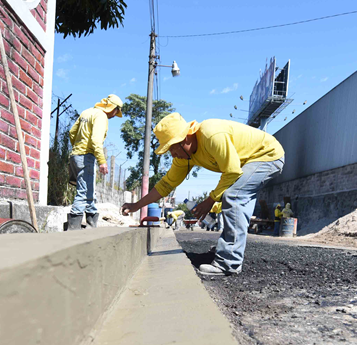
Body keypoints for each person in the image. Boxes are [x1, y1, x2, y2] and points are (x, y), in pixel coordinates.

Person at [121, 113, 284, 275]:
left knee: (234, 196)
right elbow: (165, 185)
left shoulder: (211, 135)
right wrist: (136, 205)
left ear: (183, 139)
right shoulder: (184, 157)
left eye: (171, 148)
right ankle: (228, 250)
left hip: (267, 155)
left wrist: (210, 200)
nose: (172, 154)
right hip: (246, 162)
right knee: (232, 195)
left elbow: (233, 171)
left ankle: (229, 263)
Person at [67, 94, 123, 230]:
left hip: (75, 155)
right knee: (83, 192)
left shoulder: (87, 112)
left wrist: (77, 148)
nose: (115, 115)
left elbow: (72, 133)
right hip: (86, 156)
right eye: (117, 111)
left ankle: (92, 224)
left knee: (89, 192)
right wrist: (102, 161)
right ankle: (72, 229)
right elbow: (96, 141)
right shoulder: (101, 117)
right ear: (113, 108)